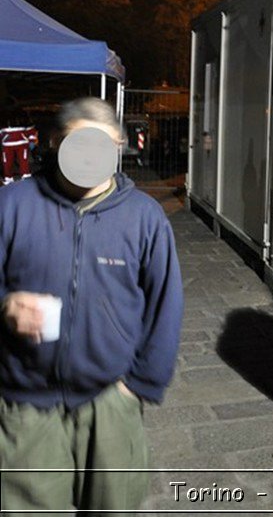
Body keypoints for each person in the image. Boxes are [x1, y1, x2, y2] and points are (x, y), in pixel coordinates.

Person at [0, 97, 184, 513]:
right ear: (54, 142)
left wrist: (136, 387)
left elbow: (165, 306)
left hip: (109, 402)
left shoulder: (144, 218)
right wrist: (6, 305)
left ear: (119, 144)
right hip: (23, 404)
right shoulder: (12, 206)